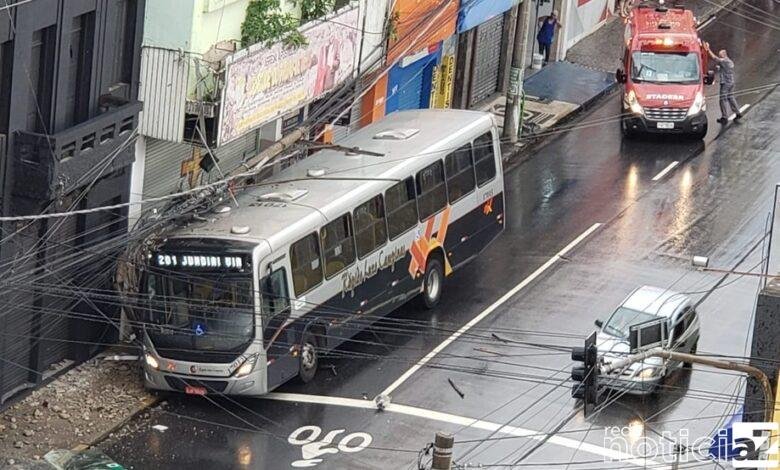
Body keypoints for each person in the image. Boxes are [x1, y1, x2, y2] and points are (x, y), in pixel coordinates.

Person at [703, 42, 741, 124]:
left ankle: (724, 117)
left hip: (726, 83)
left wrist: (708, 49)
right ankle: (737, 112)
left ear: (724, 55)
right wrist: (719, 68)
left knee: (722, 100)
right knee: (731, 97)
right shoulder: (729, 62)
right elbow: (725, 68)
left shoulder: (724, 61)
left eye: (720, 55)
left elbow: (715, 58)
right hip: (731, 82)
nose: (720, 57)